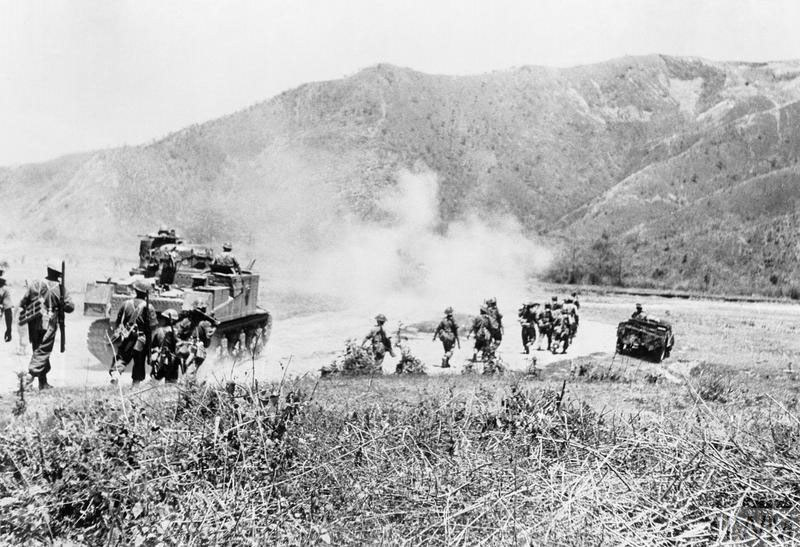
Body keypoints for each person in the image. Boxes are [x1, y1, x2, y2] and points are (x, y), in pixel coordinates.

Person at [19, 261, 74, 390]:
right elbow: (70, 307)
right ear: (58, 274)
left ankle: (43, 383)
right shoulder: (60, 289)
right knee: (43, 351)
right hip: (49, 323)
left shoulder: (35, 285)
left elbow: (23, 302)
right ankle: (29, 378)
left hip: (34, 323)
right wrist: (61, 303)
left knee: (38, 350)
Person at [110, 280, 158, 386]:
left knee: (122, 358)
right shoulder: (149, 307)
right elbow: (153, 327)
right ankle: (135, 386)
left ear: (135, 290)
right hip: (141, 340)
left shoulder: (125, 304)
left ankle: (116, 374)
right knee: (139, 362)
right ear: (147, 293)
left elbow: (118, 322)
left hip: (127, 337)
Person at [176, 300, 217, 373]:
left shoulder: (188, 321)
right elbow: (207, 341)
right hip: (190, 348)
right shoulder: (203, 323)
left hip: (191, 348)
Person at [151, 309, 180, 383]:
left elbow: (153, 345)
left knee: (155, 380)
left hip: (161, 359)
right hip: (173, 361)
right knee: (171, 383)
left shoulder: (159, 330)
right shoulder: (178, 332)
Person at [0, 269, 12, 343]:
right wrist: (9, 330)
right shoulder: (4, 290)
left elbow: (8, 311)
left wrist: (9, 329)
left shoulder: (4, 290)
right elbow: (8, 312)